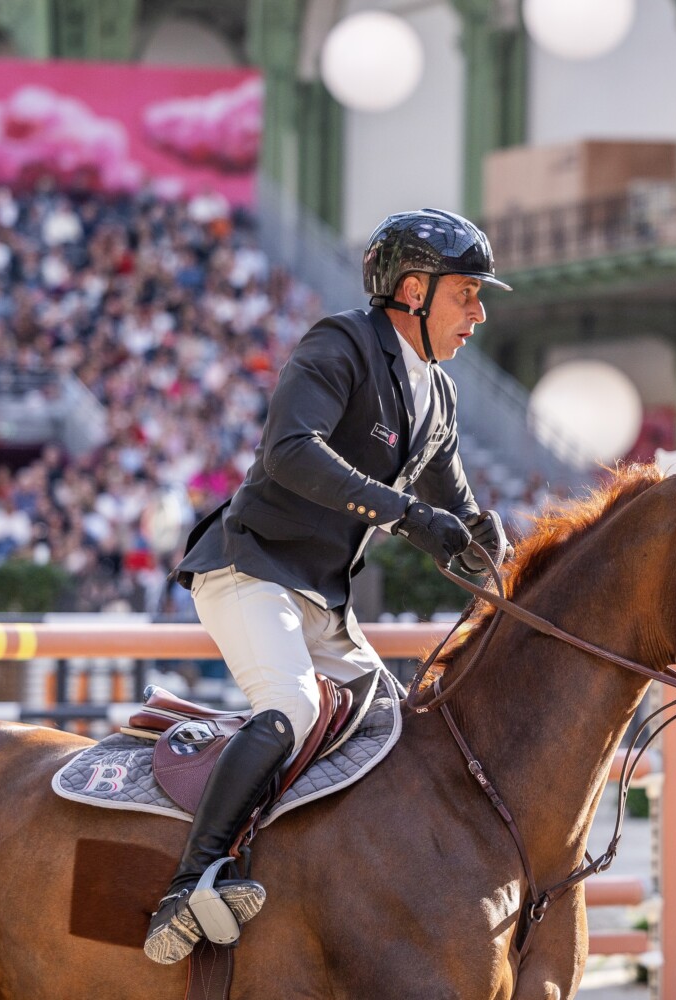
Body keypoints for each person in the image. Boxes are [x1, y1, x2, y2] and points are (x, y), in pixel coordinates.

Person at [143, 209, 513, 964]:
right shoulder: (339, 344)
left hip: (321, 601)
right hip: (250, 567)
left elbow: (461, 507)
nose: (480, 313)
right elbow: (289, 453)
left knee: (399, 734)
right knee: (291, 705)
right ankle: (189, 883)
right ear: (413, 290)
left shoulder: (436, 396)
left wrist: (488, 540)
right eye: (467, 294)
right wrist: (410, 514)